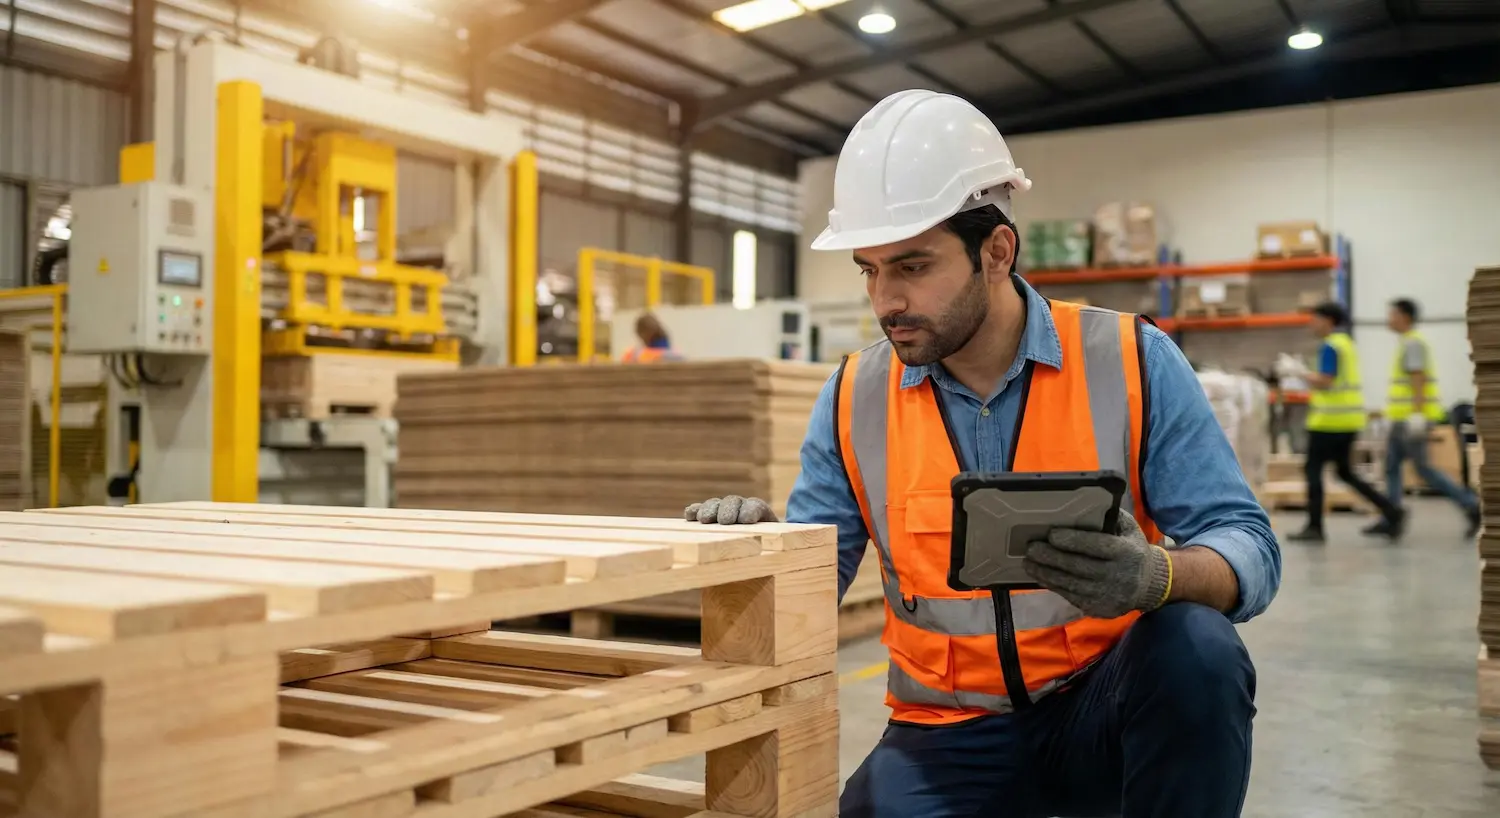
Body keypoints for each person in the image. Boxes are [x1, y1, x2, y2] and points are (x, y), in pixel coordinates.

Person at [682, 90, 1278, 818]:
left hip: (1102, 711)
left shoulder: (1130, 361)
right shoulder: (853, 397)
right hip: (946, 731)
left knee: (1198, 650)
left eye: (911, 266)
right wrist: (756, 552)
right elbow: (812, 582)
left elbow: (1250, 546)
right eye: (868, 270)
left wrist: (1158, 575)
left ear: (996, 251)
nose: (885, 300)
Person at [1286, 302, 1404, 542]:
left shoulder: (1331, 346)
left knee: (1313, 471)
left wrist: (1298, 372)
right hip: (1348, 420)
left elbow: (1326, 381)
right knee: (1344, 472)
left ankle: (1315, 527)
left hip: (1329, 422)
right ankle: (1391, 510)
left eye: (1315, 319)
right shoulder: (1347, 344)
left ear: (1328, 321)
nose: (1312, 324)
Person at [1370, 297, 1480, 538]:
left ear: (1405, 317)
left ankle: (1470, 504)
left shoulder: (1413, 344)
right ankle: (1392, 515)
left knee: (1423, 469)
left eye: (1393, 314)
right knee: (1391, 466)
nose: (1389, 319)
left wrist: (1418, 415)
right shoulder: (1407, 342)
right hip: (1403, 419)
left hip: (1411, 419)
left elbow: (1417, 379)